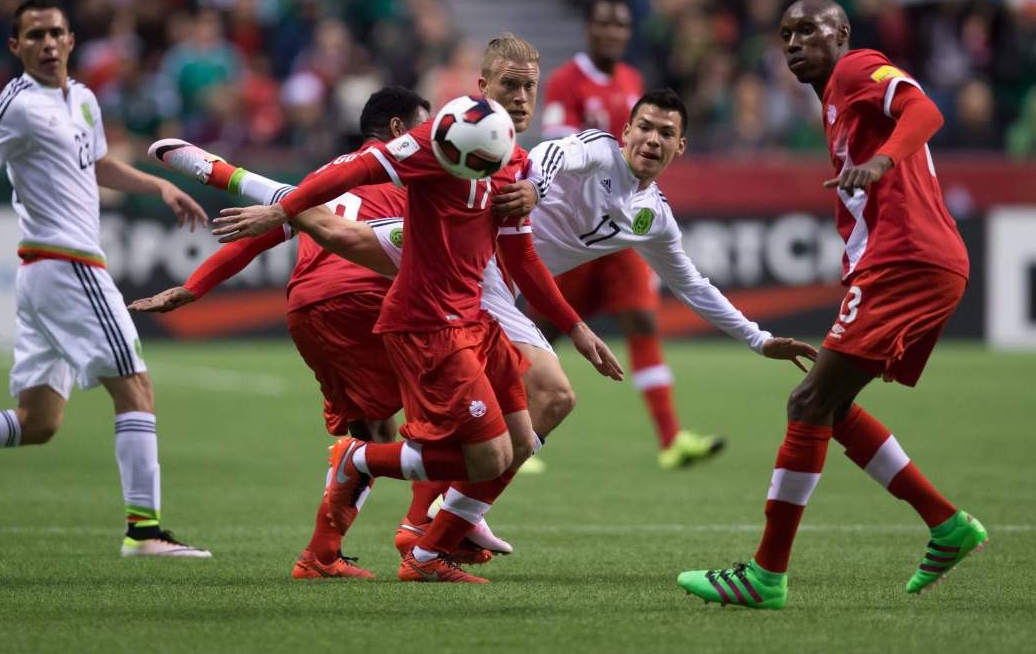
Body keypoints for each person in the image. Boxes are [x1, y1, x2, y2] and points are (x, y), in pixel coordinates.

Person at [193, 90, 816, 464]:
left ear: (680, 149)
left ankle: (435, 515)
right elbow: (544, 158)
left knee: (509, 432)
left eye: (665, 134)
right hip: (471, 258)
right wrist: (526, 192)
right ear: (626, 130)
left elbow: (695, 286)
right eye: (644, 128)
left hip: (486, 277)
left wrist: (762, 340)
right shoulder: (591, 149)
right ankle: (233, 177)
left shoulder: (655, 219)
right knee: (339, 232)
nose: (651, 140)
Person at [213, 34, 623, 583]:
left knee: (527, 433)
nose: (524, 98)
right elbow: (352, 171)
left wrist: (575, 327)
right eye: (511, 86)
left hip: (474, 316)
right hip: (428, 322)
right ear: (483, 86)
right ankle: (372, 478)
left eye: (531, 86)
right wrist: (282, 210)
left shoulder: (516, 161)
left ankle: (430, 545)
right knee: (487, 456)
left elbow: (522, 256)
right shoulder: (437, 139)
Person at [0, 0, 212, 558]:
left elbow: (97, 163)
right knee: (135, 387)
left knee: (38, 421)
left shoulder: (82, 99)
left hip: (43, 275)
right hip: (67, 265)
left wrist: (158, 185)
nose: (48, 44)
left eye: (55, 33)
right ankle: (144, 531)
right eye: (34, 36)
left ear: (72, 39)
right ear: (16, 47)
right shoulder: (17, 105)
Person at [677, 0, 987, 609]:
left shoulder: (856, 69)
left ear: (841, 33)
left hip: (906, 260)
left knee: (809, 401)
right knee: (831, 405)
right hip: (912, 262)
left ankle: (766, 575)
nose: (793, 42)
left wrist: (880, 161)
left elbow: (924, 109)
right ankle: (946, 524)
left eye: (809, 30)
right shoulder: (831, 101)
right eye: (785, 32)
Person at [139, 87, 506, 578]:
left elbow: (266, 231)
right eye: (425, 127)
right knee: (460, 426)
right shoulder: (417, 171)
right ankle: (431, 533)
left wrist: (194, 286)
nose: (433, 137)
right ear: (400, 131)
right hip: (368, 302)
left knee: (374, 430)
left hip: (307, 310)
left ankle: (321, 554)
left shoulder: (323, 177)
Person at [540, 0, 715, 470]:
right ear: (589, 29)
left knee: (642, 320)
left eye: (620, 26)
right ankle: (517, 427)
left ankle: (671, 438)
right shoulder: (565, 80)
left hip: (624, 232)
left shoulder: (633, 80)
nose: (613, 34)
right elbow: (558, 142)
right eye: (604, 25)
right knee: (547, 326)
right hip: (580, 226)